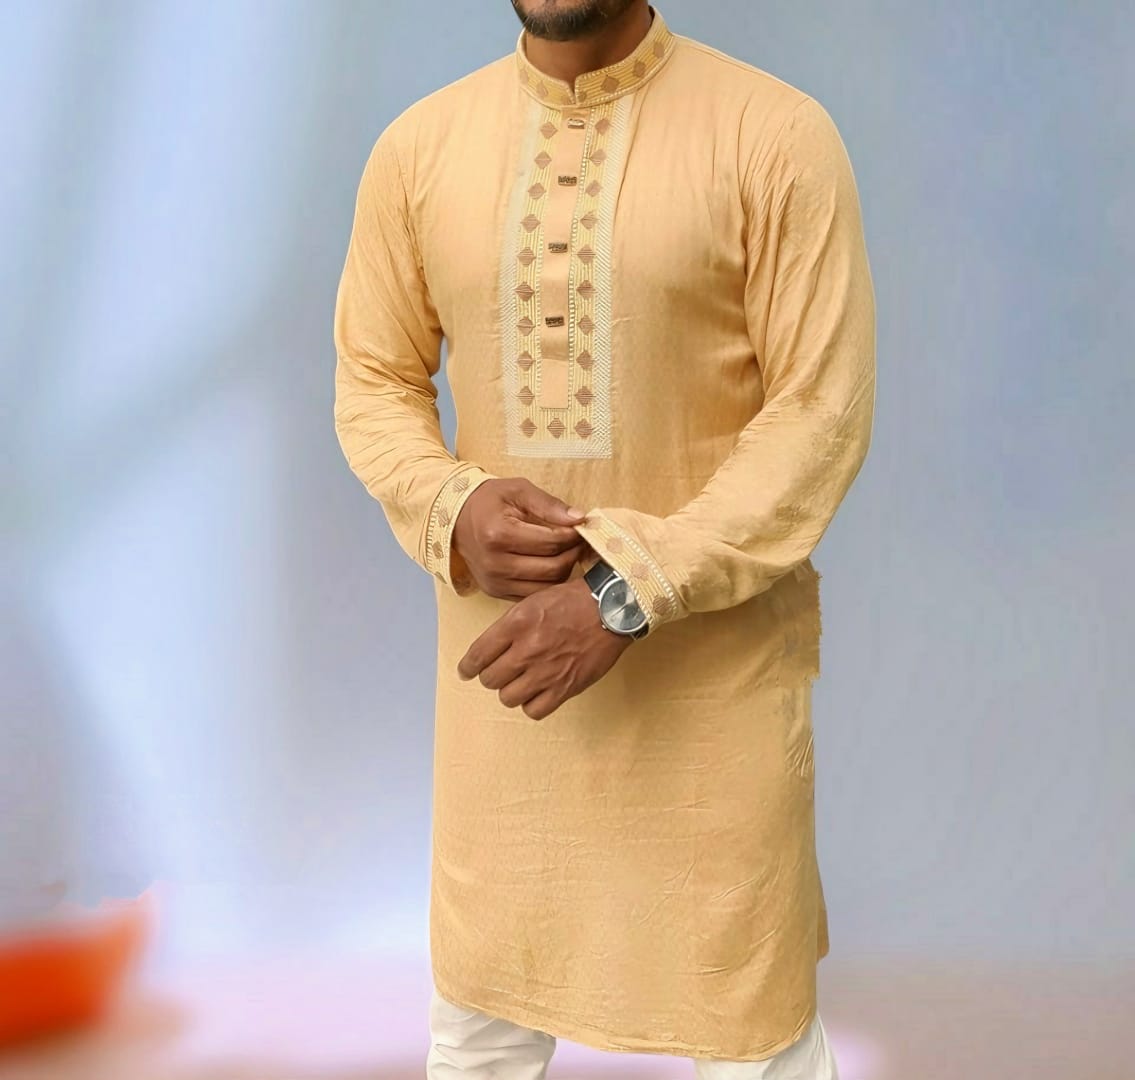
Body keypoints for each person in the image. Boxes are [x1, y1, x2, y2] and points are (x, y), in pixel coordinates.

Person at [332, 1, 875, 1075]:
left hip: (712, 709)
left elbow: (818, 415)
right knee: (479, 1036)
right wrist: (450, 505)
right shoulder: (418, 149)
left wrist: (623, 592)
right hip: (508, 712)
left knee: (750, 1039)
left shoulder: (773, 135)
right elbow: (374, 378)